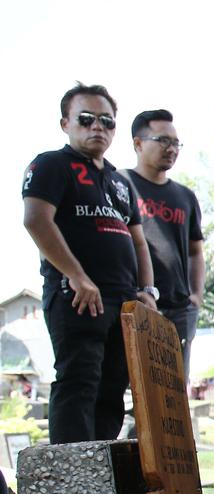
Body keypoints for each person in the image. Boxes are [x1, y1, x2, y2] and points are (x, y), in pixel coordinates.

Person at [21, 83, 159, 444]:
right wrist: (77, 276)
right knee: (78, 381)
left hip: (123, 300)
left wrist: (146, 291)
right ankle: (72, 480)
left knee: (113, 388)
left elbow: (138, 239)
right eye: (86, 119)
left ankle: (102, 475)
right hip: (78, 295)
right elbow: (36, 220)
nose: (97, 126)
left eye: (107, 121)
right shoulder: (52, 164)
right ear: (65, 123)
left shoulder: (119, 181)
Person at [124, 109, 205, 370]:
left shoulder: (185, 196)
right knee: (128, 388)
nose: (171, 149)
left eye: (175, 143)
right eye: (163, 141)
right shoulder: (118, 183)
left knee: (174, 396)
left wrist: (196, 296)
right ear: (138, 143)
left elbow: (195, 252)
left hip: (179, 309)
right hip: (132, 302)